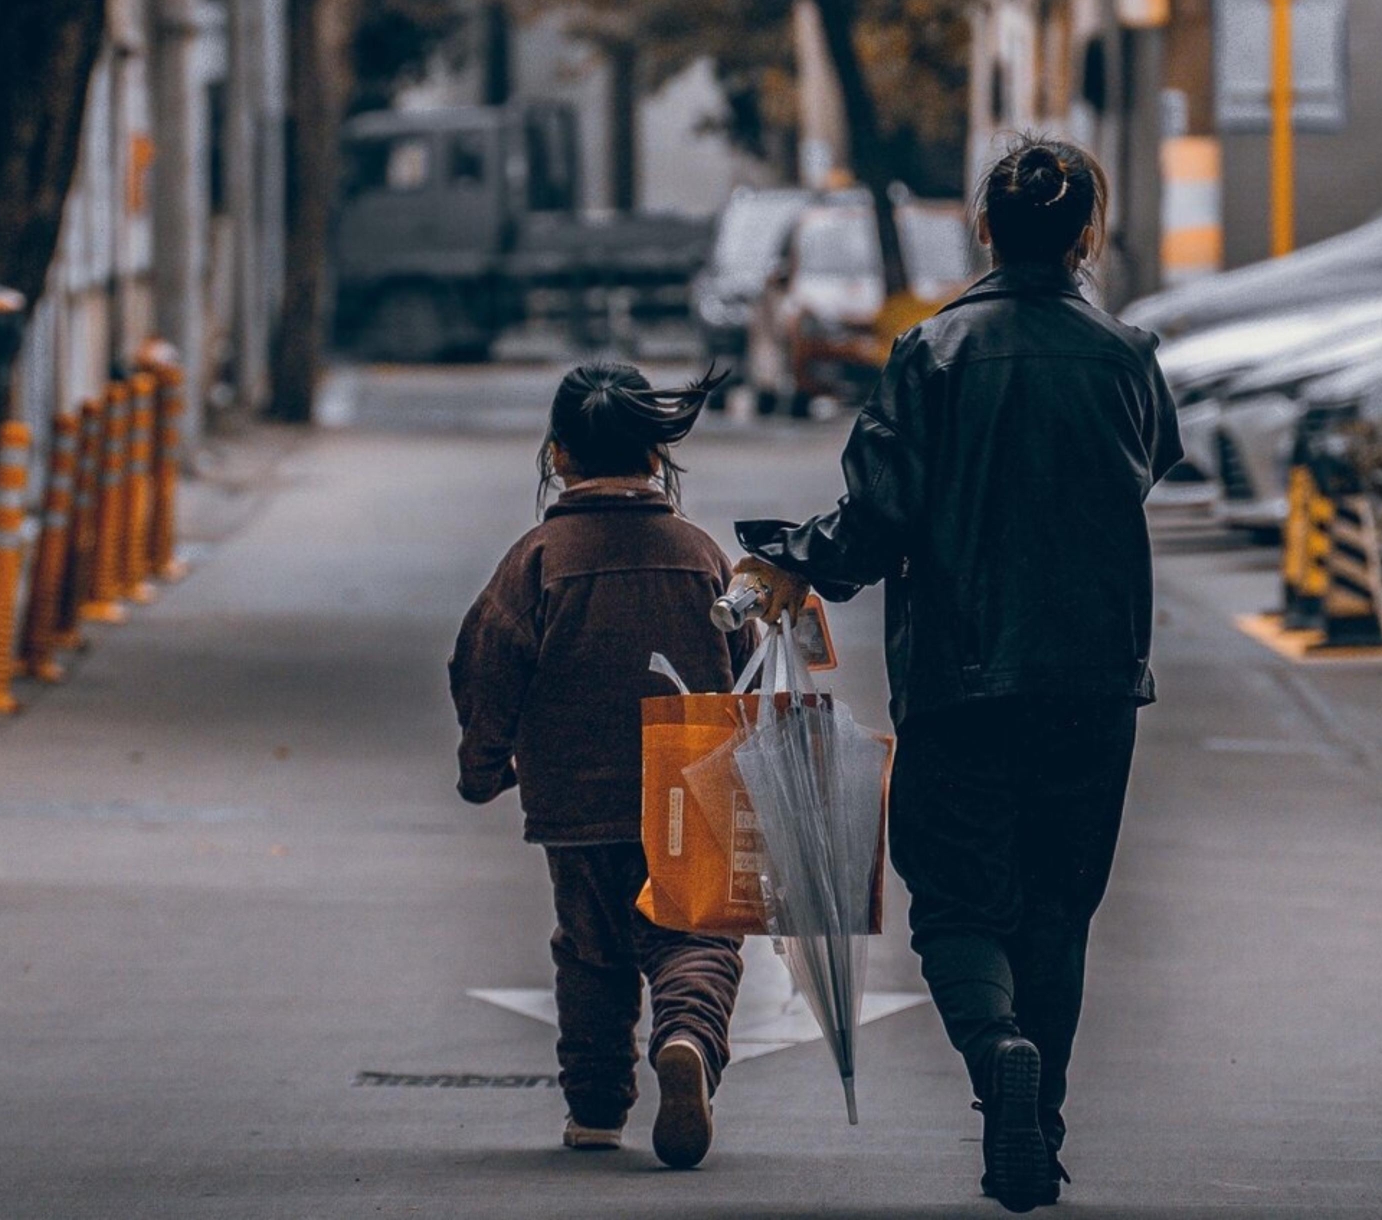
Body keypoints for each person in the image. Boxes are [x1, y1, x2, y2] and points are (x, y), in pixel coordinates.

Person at [737, 138, 1181, 1213]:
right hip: (1096, 677)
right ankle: (1037, 1126)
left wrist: (793, 557)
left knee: (953, 901)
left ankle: (996, 1058)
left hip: (961, 674)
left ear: (982, 226)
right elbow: (1150, 462)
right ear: (1086, 234)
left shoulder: (932, 353)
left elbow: (878, 514)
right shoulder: (1126, 354)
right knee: (1056, 909)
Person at [450, 363, 750, 1170]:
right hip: (692, 783)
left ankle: (593, 1112)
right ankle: (686, 1036)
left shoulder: (540, 560)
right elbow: (747, 666)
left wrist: (483, 766)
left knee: (589, 947)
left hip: (576, 797)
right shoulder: (699, 555)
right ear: (657, 458)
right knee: (694, 936)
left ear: (558, 455)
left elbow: (485, 664)